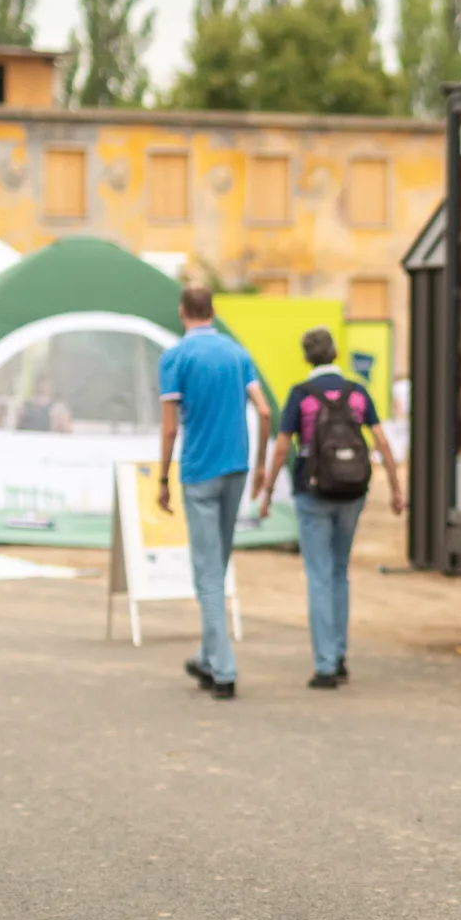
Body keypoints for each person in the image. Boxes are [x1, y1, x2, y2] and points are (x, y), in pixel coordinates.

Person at [259, 328, 405, 689]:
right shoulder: (358, 393)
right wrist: (396, 488)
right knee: (340, 572)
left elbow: (281, 448)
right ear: (336, 353)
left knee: (319, 575)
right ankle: (339, 655)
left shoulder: (300, 395)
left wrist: (266, 492)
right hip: (352, 492)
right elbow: (382, 441)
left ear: (307, 357)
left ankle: (324, 664)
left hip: (312, 493)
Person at [156, 286, 270, 700]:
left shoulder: (174, 358)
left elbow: (170, 426)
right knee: (217, 563)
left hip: (198, 470)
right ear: (214, 311)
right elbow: (264, 409)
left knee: (205, 571)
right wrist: (260, 465)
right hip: (237, 466)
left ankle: (223, 668)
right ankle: (206, 656)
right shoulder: (237, 354)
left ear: (182, 312)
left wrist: (163, 478)